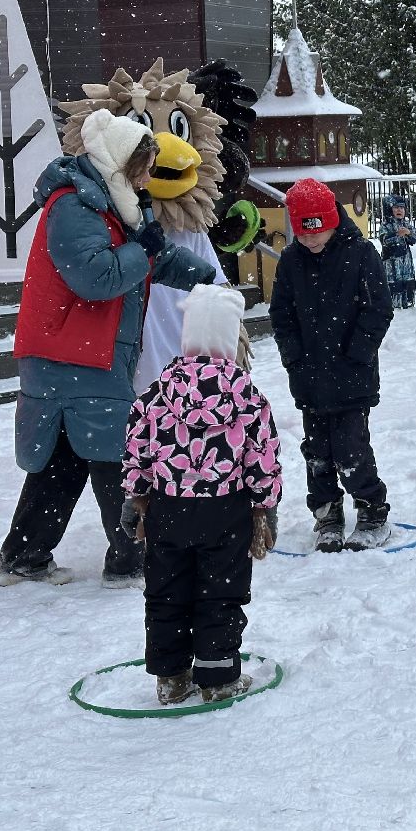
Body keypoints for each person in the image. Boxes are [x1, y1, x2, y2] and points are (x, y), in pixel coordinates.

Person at [0, 109, 217, 588]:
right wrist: (143, 250)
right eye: (142, 169)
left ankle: (25, 555)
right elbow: (96, 278)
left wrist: (206, 278)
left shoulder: (114, 202)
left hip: (87, 355)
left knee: (65, 460)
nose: (146, 181)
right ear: (120, 161)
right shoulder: (75, 206)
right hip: (72, 355)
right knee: (116, 459)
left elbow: (147, 257)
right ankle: (129, 560)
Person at [121, 284, 282, 705]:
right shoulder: (247, 397)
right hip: (225, 511)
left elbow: (138, 448)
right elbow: (262, 456)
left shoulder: (157, 395)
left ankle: (171, 676)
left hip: (168, 508)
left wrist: (135, 496)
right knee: (221, 592)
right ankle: (217, 676)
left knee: (166, 591)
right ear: (231, 338)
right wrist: (265, 504)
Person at [270, 178, 395, 552]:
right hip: (309, 377)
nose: (309, 240)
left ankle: (372, 510)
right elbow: (282, 314)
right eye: (303, 233)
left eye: (316, 231)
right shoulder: (292, 260)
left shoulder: (361, 254)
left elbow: (378, 310)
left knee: (350, 449)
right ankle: (326, 514)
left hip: (351, 377)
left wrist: (356, 355)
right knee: (318, 452)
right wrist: (294, 358)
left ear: (332, 220)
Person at [378, 193, 416, 309]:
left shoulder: (406, 224)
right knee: (393, 282)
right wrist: (397, 234)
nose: (399, 210)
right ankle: (394, 304)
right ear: (389, 209)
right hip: (391, 262)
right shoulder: (385, 225)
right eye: (396, 207)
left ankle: (408, 301)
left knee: (408, 281)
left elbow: (415, 239)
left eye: (402, 208)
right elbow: (384, 240)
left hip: (406, 262)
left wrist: (409, 233)